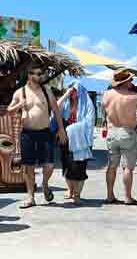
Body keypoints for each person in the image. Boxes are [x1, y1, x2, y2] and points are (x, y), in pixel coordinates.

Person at [8, 63, 67, 209]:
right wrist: (19, 105)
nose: (40, 76)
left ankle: (45, 184)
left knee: (50, 164)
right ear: (30, 75)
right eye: (37, 74)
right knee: (28, 166)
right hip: (27, 133)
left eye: (41, 74)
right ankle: (30, 196)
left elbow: (56, 110)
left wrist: (61, 129)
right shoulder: (20, 92)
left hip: (45, 132)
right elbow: (8, 110)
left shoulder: (46, 91)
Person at [102, 69, 137, 205]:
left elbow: (105, 111)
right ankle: (128, 197)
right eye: (130, 80)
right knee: (128, 168)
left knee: (112, 166)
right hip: (127, 132)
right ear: (124, 82)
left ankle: (109, 196)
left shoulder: (106, 95)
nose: (132, 82)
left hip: (112, 132)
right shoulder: (133, 97)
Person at [57, 82, 95, 205]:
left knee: (79, 167)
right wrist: (66, 94)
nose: (72, 93)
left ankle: (77, 195)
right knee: (67, 165)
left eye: (74, 90)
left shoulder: (87, 104)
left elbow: (89, 121)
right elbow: (56, 108)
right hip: (66, 137)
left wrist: (74, 128)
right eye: (70, 90)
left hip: (81, 138)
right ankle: (70, 190)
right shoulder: (66, 103)